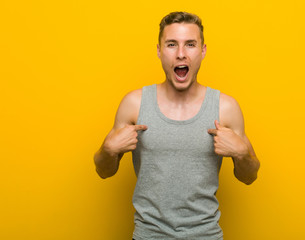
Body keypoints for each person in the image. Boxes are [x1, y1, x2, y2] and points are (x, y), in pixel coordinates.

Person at [94, 11, 260, 240]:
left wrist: (242, 153)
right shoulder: (134, 104)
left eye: (190, 44)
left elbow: (249, 176)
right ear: (159, 51)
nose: (181, 54)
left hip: (206, 235)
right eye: (172, 44)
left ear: (202, 51)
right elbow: (104, 171)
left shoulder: (226, 108)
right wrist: (108, 150)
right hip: (148, 235)